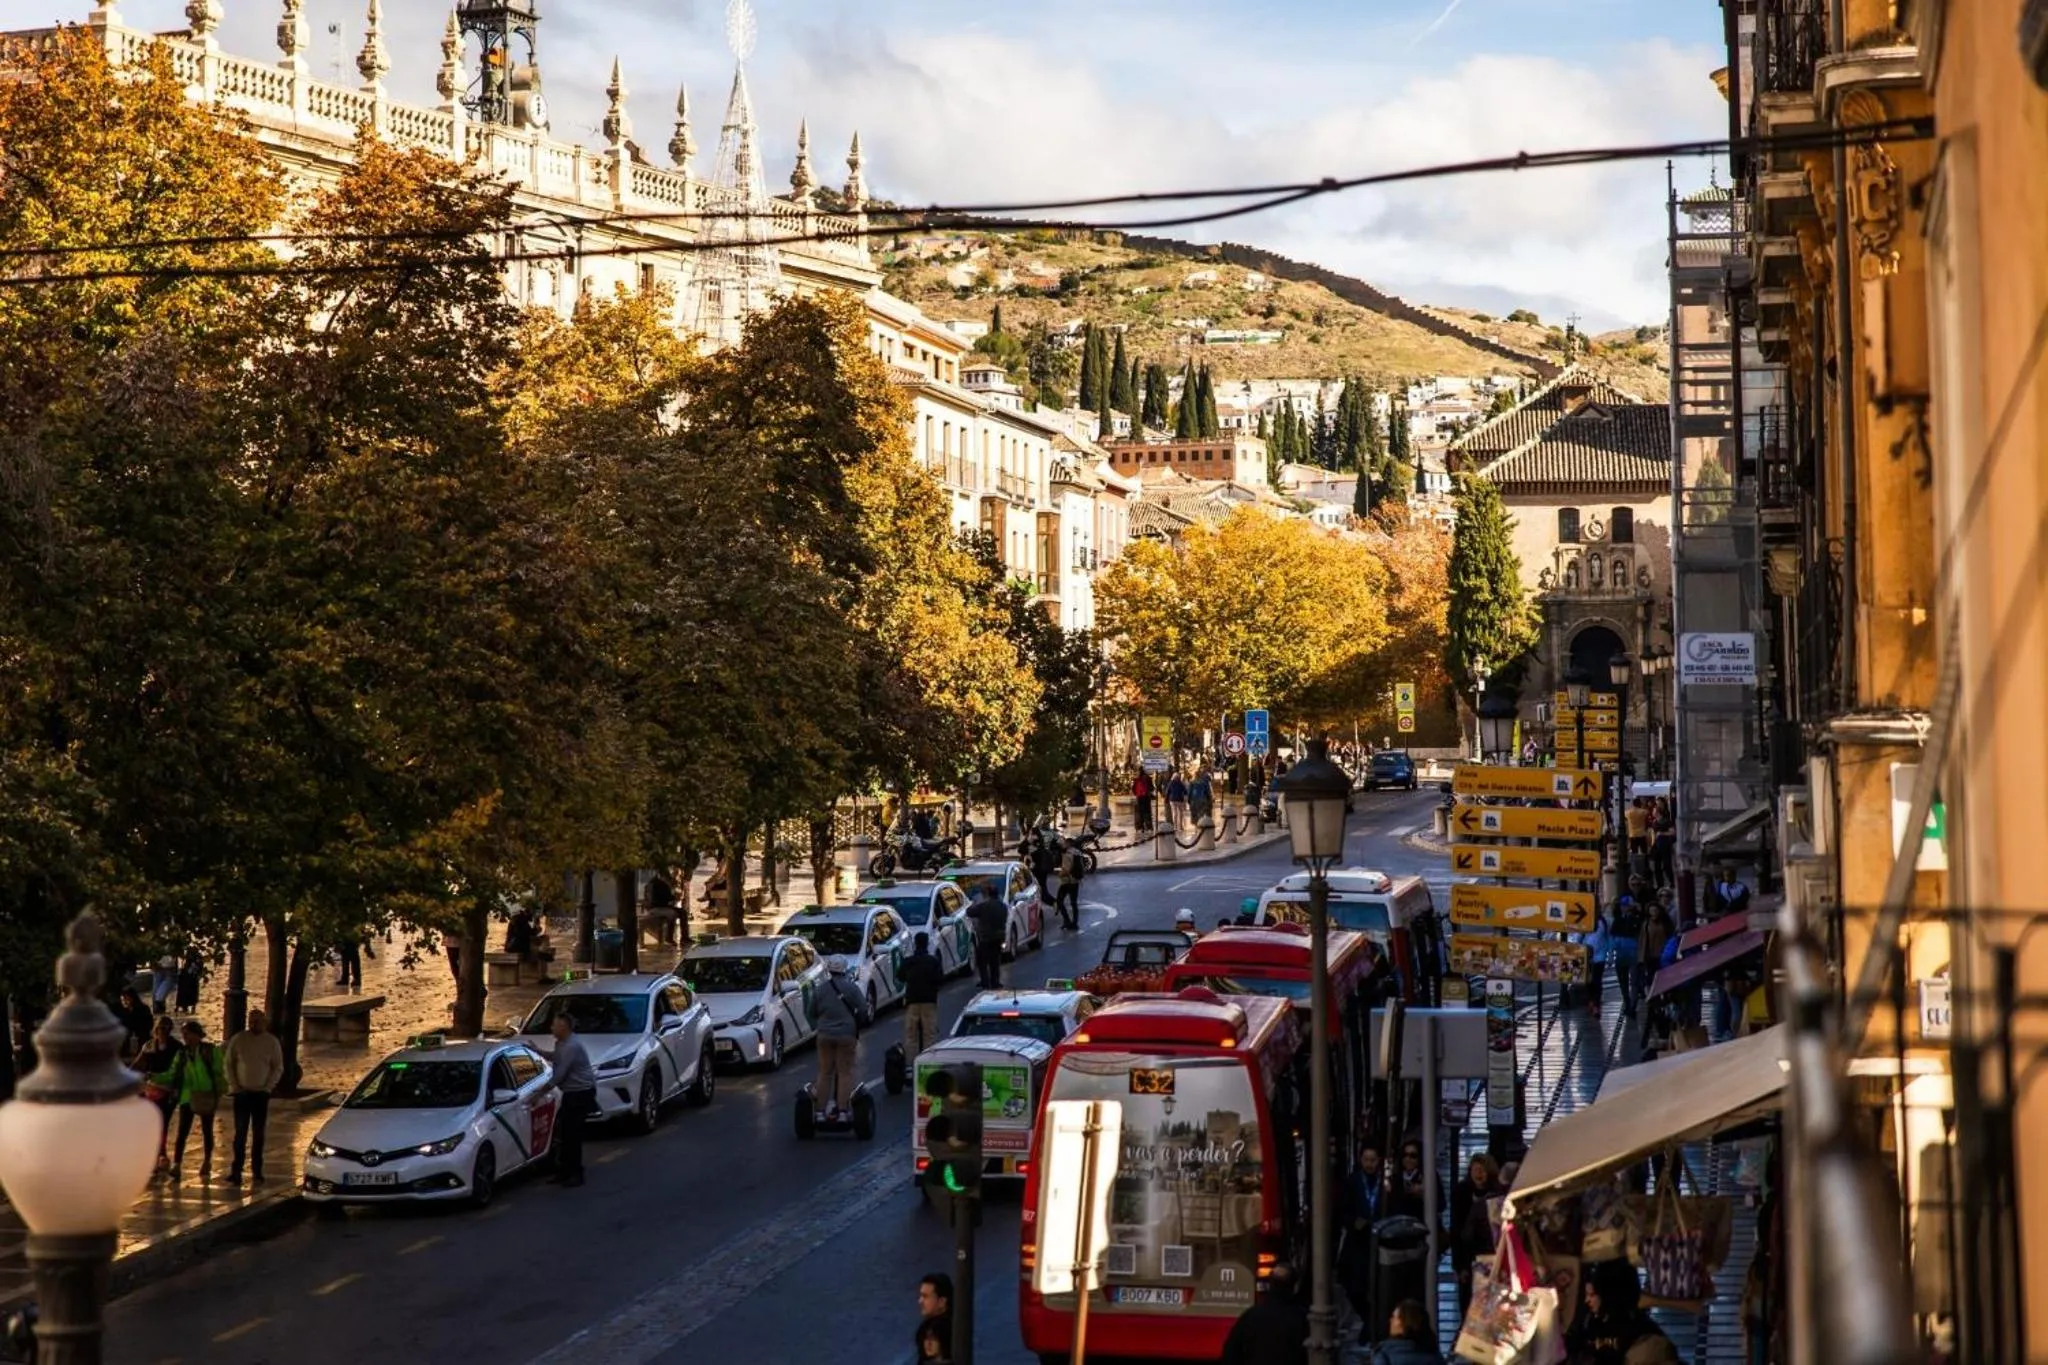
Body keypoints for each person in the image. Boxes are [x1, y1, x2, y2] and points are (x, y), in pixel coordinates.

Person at [157, 1020, 224, 1185]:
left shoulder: (210, 1051)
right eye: (183, 1034)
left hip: (206, 1094)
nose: (185, 1037)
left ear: (196, 1034)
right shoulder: (182, 1054)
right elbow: (172, 1073)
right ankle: (177, 1165)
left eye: (187, 1033)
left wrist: (218, 1093)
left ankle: (207, 1160)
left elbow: (219, 1072)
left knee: (207, 1130)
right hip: (187, 1096)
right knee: (182, 1132)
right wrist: (154, 1077)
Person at [1566, 1260, 1671, 1365]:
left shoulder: (1649, 1341)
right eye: (1586, 1295)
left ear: (1609, 1297)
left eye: (1592, 1294)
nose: (1587, 1300)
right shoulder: (1590, 1325)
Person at [225, 1008, 284, 1184]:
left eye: (257, 1021)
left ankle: (257, 1170)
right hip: (242, 1093)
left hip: (260, 1094)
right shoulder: (239, 1040)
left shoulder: (271, 1042)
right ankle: (236, 1171)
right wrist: (235, 1085)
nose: (253, 1024)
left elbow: (277, 1067)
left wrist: (268, 1087)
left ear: (264, 1022)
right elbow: (229, 1064)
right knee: (240, 1134)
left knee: (258, 1134)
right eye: (251, 1021)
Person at [545, 1009, 598, 1187]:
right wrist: (538, 1051)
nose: (551, 1028)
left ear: (563, 1027)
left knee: (572, 1134)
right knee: (564, 1133)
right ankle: (565, 1171)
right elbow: (555, 1057)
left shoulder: (571, 1046)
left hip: (580, 1093)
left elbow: (559, 1075)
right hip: (571, 1093)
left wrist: (538, 1093)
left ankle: (576, 1173)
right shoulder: (561, 1043)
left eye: (554, 1025)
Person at [1218, 1262, 1309, 1365]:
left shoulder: (1251, 1316)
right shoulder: (1301, 1318)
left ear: (1271, 1284)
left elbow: (1231, 1352)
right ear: (1293, 1286)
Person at [1337, 1142, 1387, 1327]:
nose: (1369, 1164)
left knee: (1375, 1287)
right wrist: (1353, 1222)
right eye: (1366, 1160)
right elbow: (1342, 1210)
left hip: (1379, 1241)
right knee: (1354, 1289)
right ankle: (1369, 1320)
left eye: (1373, 1160)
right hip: (1357, 1241)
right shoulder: (1352, 1181)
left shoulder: (1385, 1183)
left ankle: (1373, 1325)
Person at [812, 956, 866, 1120]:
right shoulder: (852, 988)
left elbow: (811, 1011)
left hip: (824, 1035)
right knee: (844, 1072)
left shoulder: (820, 989)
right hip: (846, 1035)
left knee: (824, 1072)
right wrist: (857, 1025)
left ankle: (820, 1112)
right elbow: (863, 1009)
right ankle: (843, 1111)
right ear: (844, 969)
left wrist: (818, 1027)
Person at [1449, 1153, 1501, 1318]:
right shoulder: (1461, 1193)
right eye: (1475, 1170)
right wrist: (1459, 1265)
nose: (1479, 1174)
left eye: (1483, 1170)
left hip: (1490, 1254)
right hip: (1468, 1256)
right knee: (1468, 1304)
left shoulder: (1497, 1193)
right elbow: (1456, 1230)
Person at [136, 1015, 183, 1178]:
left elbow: (179, 1071)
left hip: (168, 1093)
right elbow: (138, 1064)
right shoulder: (149, 1046)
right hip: (150, 1092)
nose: (161, 1031)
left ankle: (159, 1157)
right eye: (159, 1028)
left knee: (162, 1125)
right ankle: (157, 1157)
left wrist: (176, 1090)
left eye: (165, 1028)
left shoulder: (177, 1048)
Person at [899, 932, 944, 1059]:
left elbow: (900, 976)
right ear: (927, 944)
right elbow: (940, 979)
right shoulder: (933, 961)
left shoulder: (909, 961)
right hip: (929, 1001)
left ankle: (912, 1061)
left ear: (915, 944)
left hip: (912, 1001)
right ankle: (928, 1060)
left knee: (911, 1034)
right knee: (929, 1033)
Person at [1368, 1299, 1443, 1364]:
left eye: (1394, 1317)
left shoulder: (1385, 1355)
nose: (1390, 1321)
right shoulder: (1435, 1356)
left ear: (1405, 1322)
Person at [967, 884, 1008, 989]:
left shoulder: (984, 906)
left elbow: (970, 912)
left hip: (986, 938)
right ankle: (995, 982)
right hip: (998, 938)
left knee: (982, 962)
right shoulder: (1003, 906)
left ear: (989, 894)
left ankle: (985, 982)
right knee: (995, 962)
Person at [1609, 894, 1644, 1018]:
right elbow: (1612, 937)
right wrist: (1611, 955)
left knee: (1634, 981)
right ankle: (1627, 1002)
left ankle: (1632, 1006)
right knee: (1623, 981)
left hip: (1634, 954)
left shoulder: (1638, 919)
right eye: (1623, 906)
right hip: (1621, 954)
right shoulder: (1618, 919)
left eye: (1627, 906)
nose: (1625, 908)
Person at [914, 1272, 953, 1363]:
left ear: (941, 1301)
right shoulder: (925, 1328)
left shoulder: (947, 1329)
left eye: (925, 1296)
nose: (920, 1301)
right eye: (921, 1296)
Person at [1056, 838, 1086, 930]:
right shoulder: (1078, 852)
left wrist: (1059, 874)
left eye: (1064, 843)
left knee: (1059, 901)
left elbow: (1066, 869)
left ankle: (1067, 921)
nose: (1063, 845)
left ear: (1068, 844)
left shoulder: (1068, 854)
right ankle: (1075, 923)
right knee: (1074, 903)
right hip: (1076, 881)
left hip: (1067, 881)